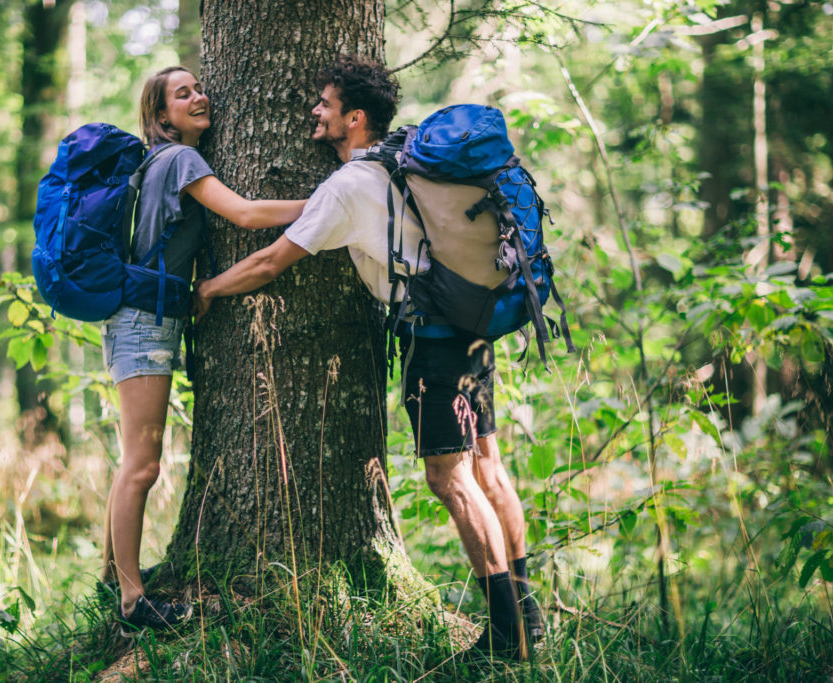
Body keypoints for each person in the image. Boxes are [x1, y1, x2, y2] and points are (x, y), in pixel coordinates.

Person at [193, 55, 543, 659]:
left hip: (432, 339)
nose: (314, 113)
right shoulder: (401, 160)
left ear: (353, 119)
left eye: (324, 105)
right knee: (487, 463)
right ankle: (528, 611)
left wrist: (207, 290)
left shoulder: (351, 185)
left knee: (449, 476)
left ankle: (506, 637)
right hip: (473, 322)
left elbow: (270, 261)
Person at [101, 65, 306, 637]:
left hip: (140, 318)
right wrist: (327, 199)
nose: (199, 96)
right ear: (160, 115)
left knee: (135, 464)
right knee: (141, 465)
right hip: (145, 322)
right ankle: (132, 601)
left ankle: (112, 578)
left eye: (199, 87)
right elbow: (243, 214)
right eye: (182, 93)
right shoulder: (180, 160)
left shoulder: (154, 164)